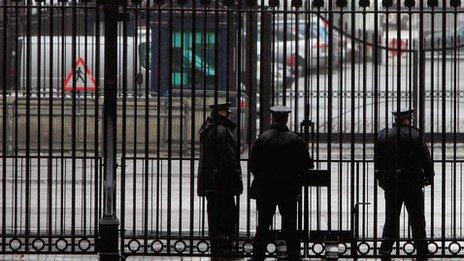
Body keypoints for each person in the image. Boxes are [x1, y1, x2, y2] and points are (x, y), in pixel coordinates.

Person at [249, 105, 314, 261]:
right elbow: (307, 164)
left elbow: (253, 165)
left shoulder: (263, 138)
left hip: (266, 188)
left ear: (273, 118)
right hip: (288, 188)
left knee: (264, 223)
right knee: (290, 223)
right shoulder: (295, 139)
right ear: (286, 119)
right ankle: (293, 254)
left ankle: (258, 254)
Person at [374, 108, 434, 259]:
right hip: (413, 181)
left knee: (391, 216)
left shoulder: (383, 134)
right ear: (407, 119)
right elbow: (425, 157)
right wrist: (429, 176)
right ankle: (421, 247)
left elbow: (378, 161)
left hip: (392, 182)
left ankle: (386, 248)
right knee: (417, 216)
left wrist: (381, 178)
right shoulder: (415, 134)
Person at [197, 102, 243, 256]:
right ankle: (226, 246)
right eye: (227, 111)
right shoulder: (222, 131)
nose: (229, 114)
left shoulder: (208, 128)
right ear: (221, 113)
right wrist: (236, 180)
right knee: (227, 214)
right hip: (222, 182)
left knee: (214, 214)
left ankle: (216, 244)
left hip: (211, 181)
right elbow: (228, 159)